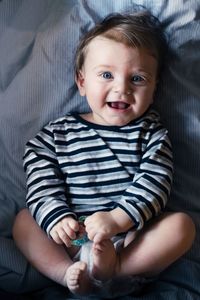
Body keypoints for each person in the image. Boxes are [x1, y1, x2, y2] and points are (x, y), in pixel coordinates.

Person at [13, 11, 195, 297]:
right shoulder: (56, 134)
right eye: (107, 75)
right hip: (68, 241)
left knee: (182, 226)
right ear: (82, 82)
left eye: (137, 78)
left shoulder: (151, 133)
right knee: (23, 221)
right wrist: (56, 218)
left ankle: (114, 269)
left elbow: (155, 184)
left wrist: (117, 219)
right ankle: (66, 274)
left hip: (130, 242)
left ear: (155, 88)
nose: (121, 88)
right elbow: (41, 182)